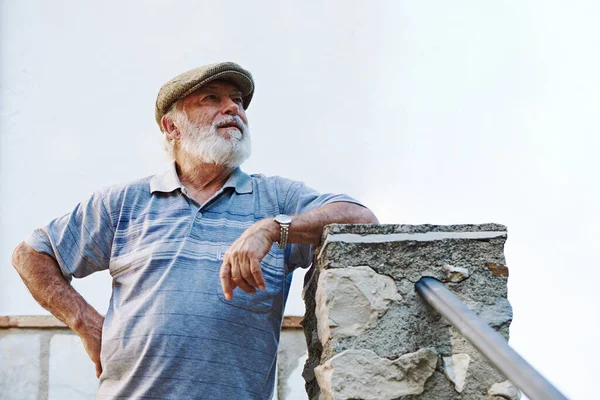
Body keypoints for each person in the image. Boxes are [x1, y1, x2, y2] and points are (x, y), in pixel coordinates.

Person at [11, 61, 378, 399]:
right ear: (172, 127)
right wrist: (87, 324)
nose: (233, 108)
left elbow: (361, 221)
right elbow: (31, 255)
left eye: (237, 101)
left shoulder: (275, 199)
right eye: (211, 99)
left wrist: (273, 228)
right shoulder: (123, 203)